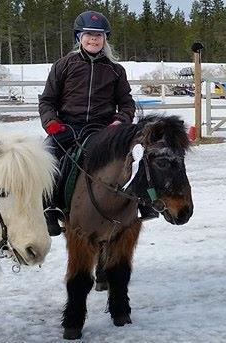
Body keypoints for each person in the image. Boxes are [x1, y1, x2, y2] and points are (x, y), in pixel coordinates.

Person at [39, 10, 154, 235]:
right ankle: (49, 208)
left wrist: (120, 122)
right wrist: (50, 122)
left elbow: (127, 103)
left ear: (105, 39)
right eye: (89, 35)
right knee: (46, 156)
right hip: (68, 126)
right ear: (79, 38)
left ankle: (144, 202)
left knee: (139, 155)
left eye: (99, 35)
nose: (94, 39)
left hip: (104, 129)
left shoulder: (115, 70)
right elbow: (47, 100)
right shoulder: (63, 66)